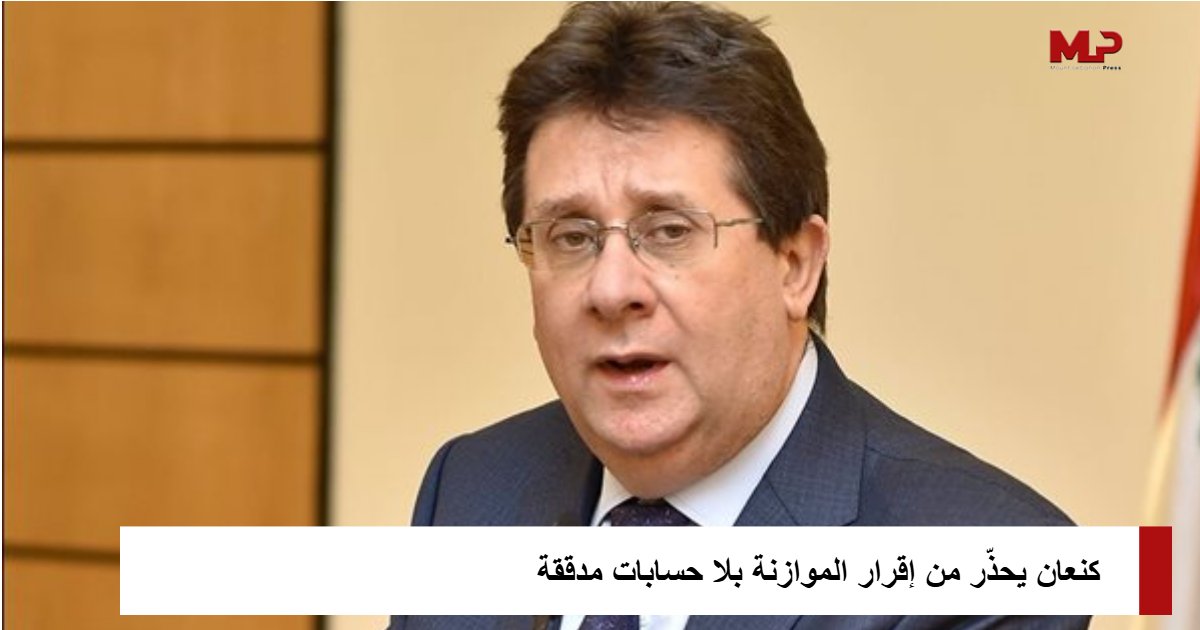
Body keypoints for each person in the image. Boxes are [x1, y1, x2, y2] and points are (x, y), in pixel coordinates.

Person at [392, 3, 1086, 629]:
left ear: (795, 264)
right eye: (571, 236)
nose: (611, 289)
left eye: (669, 231)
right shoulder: (472, 486)